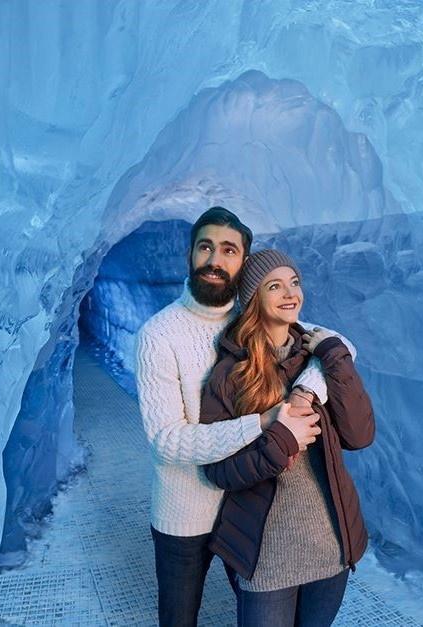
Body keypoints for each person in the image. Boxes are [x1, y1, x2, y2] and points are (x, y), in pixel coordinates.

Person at [135, 207, 354, 627]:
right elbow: (166, 440)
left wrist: (305, 392)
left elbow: (335, 342)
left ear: (243, 263)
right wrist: (263, 422)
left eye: (229, 250)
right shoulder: (158, 335)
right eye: (206, 247)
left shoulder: (251, 316)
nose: (216, 260)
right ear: (191, 255)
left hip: (247, 506)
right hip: (187, 515)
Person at [199, 249, 375, 627]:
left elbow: (359, 436)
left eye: (294, 282)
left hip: (330, 545)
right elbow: (218, 472)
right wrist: (281, 442)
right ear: (252, 300)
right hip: (265, 555)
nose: (290, 293)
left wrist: (334, 357)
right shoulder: (229, 375)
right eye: (274, 286)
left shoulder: (319, 361)